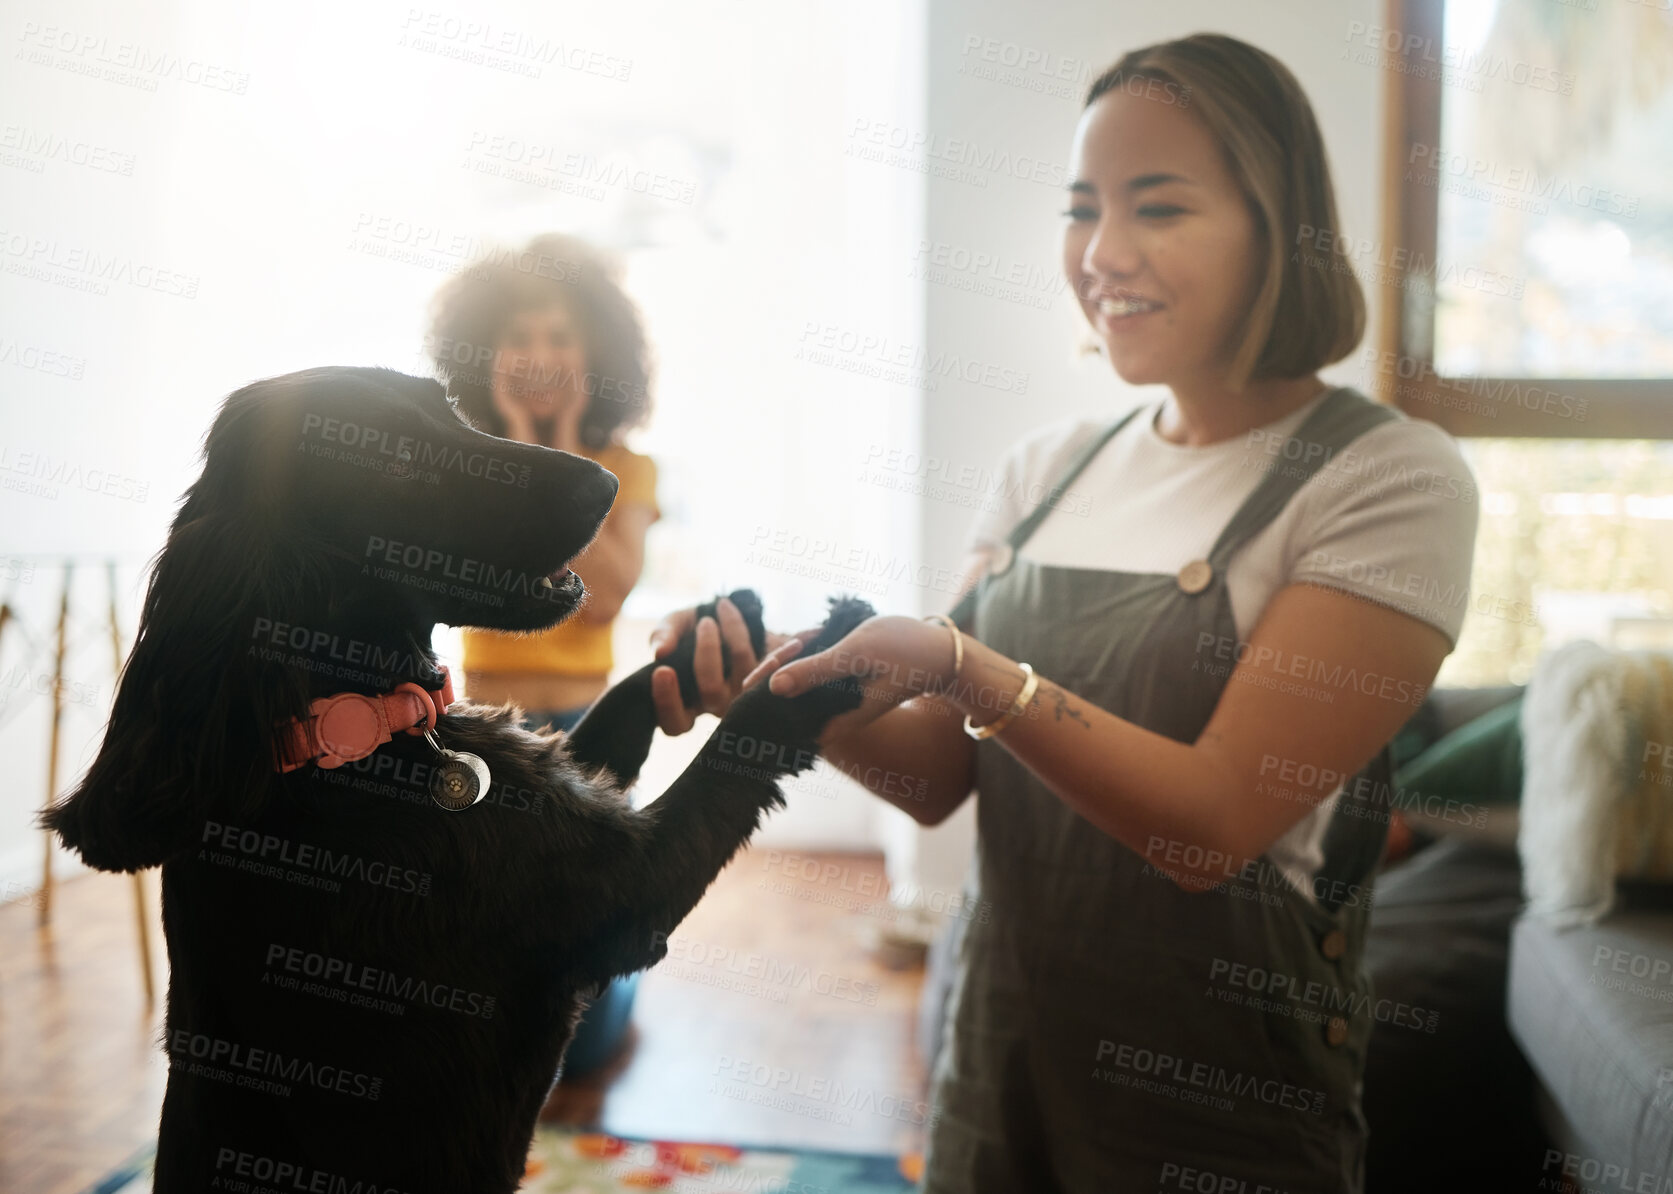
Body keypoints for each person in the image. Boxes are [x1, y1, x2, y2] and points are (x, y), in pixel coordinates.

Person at [647, 34, 1479, 1192]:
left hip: (1224, 1102)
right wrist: (786, 695)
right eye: (1081, 208)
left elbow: (1212, 824)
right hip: (1001, 1060)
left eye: (1159, 207)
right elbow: (937, 780)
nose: (1101, 253)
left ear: (1275, 228)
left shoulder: (1387, 480)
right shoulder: (1049, 469)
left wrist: (964, 666)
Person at [428, 233, 659, 1077]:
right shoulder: (470, 469)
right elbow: (475, 577)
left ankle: (623, 994)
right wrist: (519, 447)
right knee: (479, 918)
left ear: (595, 351)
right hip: (475, 727)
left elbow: (603, 593)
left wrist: (555, 456)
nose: (539, 357)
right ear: (485, 350)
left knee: (581, 1006)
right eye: (519, 337)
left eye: (560, 337)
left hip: (588, 729)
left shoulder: (627, 469)